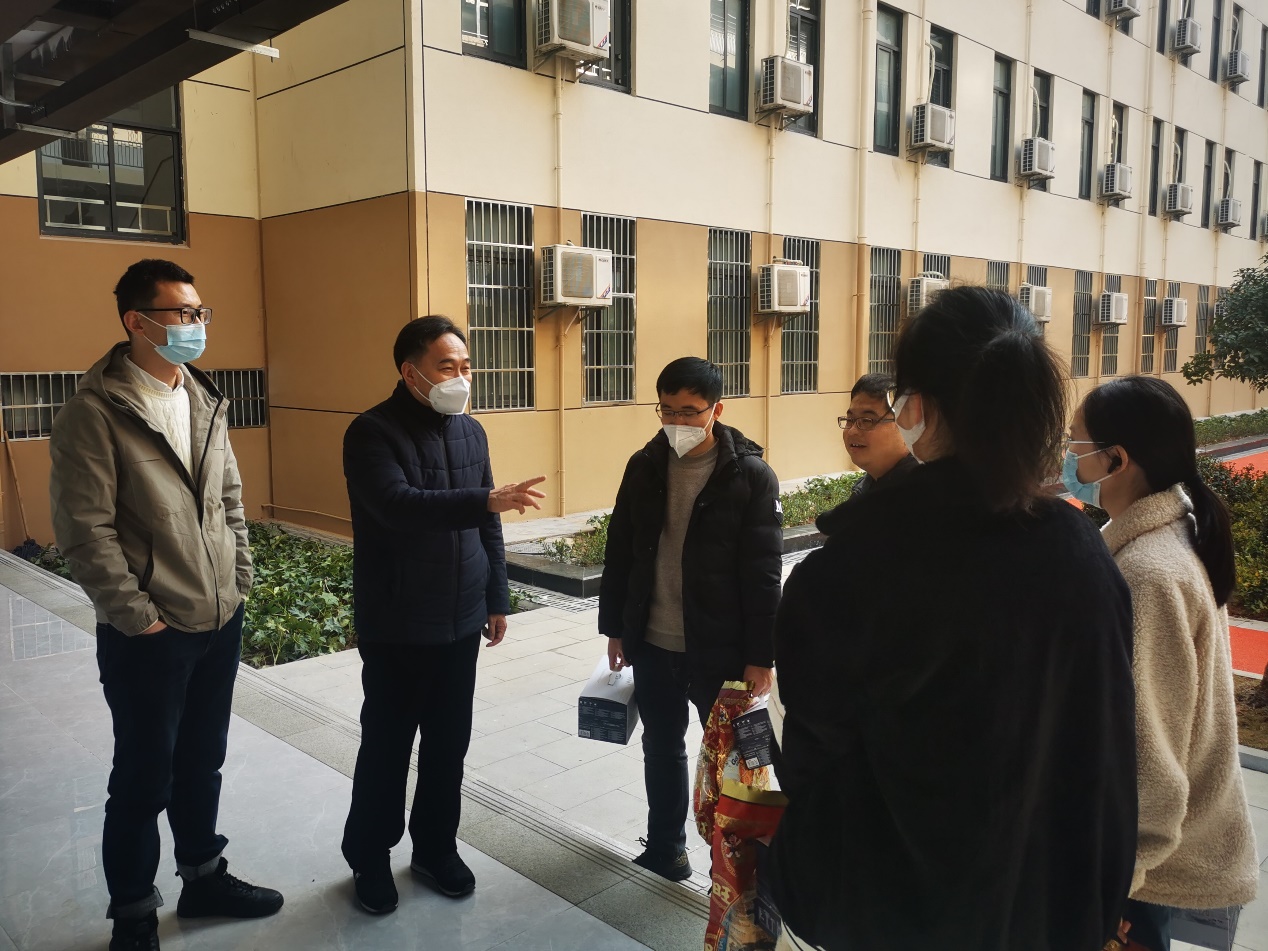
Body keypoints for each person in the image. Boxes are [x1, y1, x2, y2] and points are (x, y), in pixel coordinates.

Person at [769, 287, 1138, 951]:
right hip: (1049, 913)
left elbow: (811, 768)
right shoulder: (1082, 551)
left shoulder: (849, 569)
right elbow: (1105, 751)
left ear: (916, 407)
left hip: (895, 916)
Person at [49, 259, 283, 951]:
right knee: (143, 777)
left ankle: (203, 878)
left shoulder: (202, 397)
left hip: (218, 617)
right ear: (137, 321)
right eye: (184, 313)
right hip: (149, 633)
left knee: (202, 761)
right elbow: (84, 530)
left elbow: (230, 499)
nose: (197, 325)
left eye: (200, 312)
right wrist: (137, 616)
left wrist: (237, 580)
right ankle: (132, 914)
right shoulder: (96, 410)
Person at [340, 316, 546, 915]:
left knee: (448, 744)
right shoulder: (371, 432)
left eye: (465, 366)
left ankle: (435, 848)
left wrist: (497, 597)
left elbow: (488, 523)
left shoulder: (471, 431)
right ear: (411, 373)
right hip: (398, 621)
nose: (461, 377)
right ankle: (369, 856)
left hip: (461, 618)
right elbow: (396, 505)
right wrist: (485, 499)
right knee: (387, 745)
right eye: (446, 367)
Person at [1065, 376, 1258, 951]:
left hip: (1140, 875)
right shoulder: (1163, 540)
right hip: (1144, 864)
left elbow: (1151, 750)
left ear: (1116, 459)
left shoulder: (1149, 573)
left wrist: (1119, 881)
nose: (1068, 457)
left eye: (1075, 444)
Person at [599, 356, 783, 882]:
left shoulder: (750, 475)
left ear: (716, 410)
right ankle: (666, 849)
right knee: (660, 748)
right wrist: (616, 629)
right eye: (667, 410)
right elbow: (620, 550)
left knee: (740, 761)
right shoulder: (644, 465)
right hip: (654, 642)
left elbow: (764, 574)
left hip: (723, 651)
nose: (677, 422)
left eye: (689, 411)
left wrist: (761, 657)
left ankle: (741, 870)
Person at [815, 372, 918, 537]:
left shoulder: (920, 499)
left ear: (905, 424)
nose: (852, 431)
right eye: (850, 420)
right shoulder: (865, 489)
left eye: (867, 420)